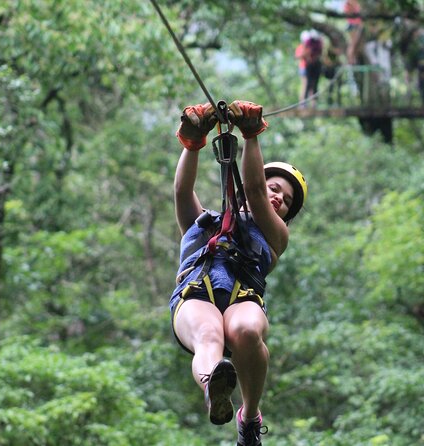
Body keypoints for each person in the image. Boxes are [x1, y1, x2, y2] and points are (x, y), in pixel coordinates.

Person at [170, 101, 308, 446]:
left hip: (242, 297)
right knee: (208, 335)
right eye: (276, 188)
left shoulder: (276, 236)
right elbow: (182, 191)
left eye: (286, 200)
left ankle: (249, 417)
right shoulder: (204, 223)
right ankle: (213, 387)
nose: (278, 198)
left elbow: (256, 191)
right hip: (195, 293)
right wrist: (193, 144)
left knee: (246, 330)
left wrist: (252, 136)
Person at [344, 0, 363, 65]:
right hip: (353, 25)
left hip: (354, 25)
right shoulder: (349, 3)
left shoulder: (354, 3)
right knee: (352, 44)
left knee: (353, 44)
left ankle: (352, 59)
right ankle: (350, 60)